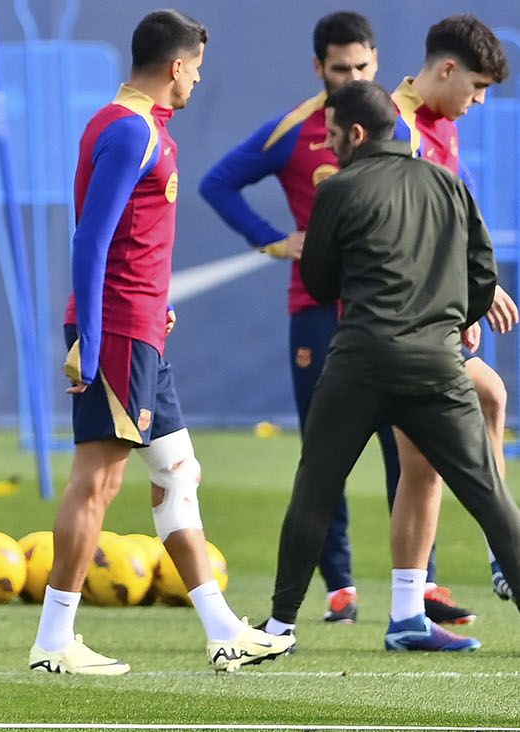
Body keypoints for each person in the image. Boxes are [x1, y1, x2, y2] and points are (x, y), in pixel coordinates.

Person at [29, 9, 295, 676]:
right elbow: (91, 239)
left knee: (177, 472)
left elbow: (129, 239)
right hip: (116, 331)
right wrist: (91, 340)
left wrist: (156, 305)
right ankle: (54, 640)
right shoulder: (127, 128)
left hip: (141, 327)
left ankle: (222, 629)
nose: (197, 83)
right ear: (176, 66)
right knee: (99, 481)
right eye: (196, 70)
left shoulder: (138, 127)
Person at [200, 12, 474, 627]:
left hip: (400, 316)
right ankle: (340, 587)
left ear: (375, 61)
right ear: (318, 68)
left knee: (410, 451)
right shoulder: (297, 130)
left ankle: (419, 585)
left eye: (360, 66)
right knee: (325, 456)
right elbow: (218, 183)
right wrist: (276, 240)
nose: (350, 75)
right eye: (338, 67)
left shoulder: (402, 126)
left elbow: (453, 203)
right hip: (319, 312)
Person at [265, 79, 520, 652]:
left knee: (315, 488)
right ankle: (410, 618)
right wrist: (447, 315)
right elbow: (483, 274)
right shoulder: (448, 184)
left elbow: (319, 281)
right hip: (436, 363)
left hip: (360, 362)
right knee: (491, 497)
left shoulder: (339, 189)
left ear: (356, 134)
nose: (327, 147)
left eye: (332, 136)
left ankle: (280, 628)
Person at [387, 14, 516, 609]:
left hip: (433, 319)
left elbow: (455, 220)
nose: (480, 101)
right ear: (446, 69)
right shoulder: (399, 129)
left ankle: (413, 607)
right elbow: (398, 238)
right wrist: (462, 293)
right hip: (400, 325)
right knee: (420, 463)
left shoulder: (442, 125)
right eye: (477, 87)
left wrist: (470, 290)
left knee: (482, 406)